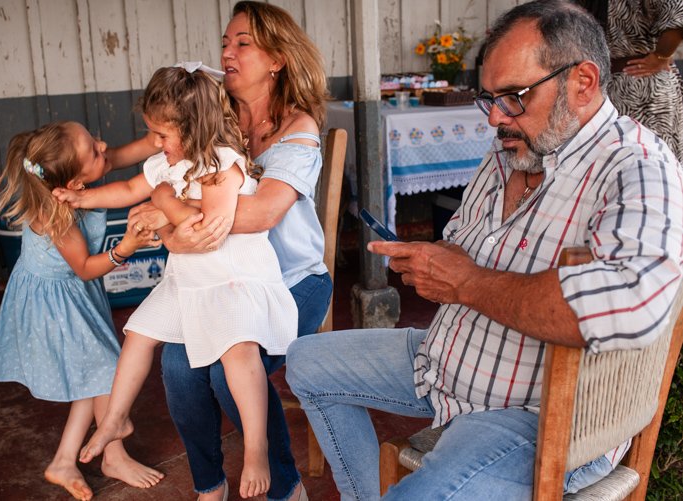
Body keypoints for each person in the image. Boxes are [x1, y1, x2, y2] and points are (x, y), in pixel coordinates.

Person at [285, 1, 683, 500]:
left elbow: (629, 306)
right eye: (490, 98)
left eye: (514, 96)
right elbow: (465, 244)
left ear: (582, 82)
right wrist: (433, 261)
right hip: (447, 360)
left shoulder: (636, 165)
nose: (495, 117)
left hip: (535, 414)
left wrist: (467, 282)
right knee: (305, 361)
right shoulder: (512, 148)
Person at [53, 64, 299, 499]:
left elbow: (206, 227)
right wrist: (81, 197)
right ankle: (114, 419)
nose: (156, 143)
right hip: (187, 280)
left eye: (161, 135)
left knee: (238, 353)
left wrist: (164, 198)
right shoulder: (166, 162)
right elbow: (127, 190)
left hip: (232, 279)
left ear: (191, 128)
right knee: (137, 335)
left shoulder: (221, 164)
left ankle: (256, 448)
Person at [125, 3, 332, 500]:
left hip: (294, 282)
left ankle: (286, 488)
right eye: (225, 43)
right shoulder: (213, 113)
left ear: (277, 59)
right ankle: (210, 486)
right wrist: (94, 166)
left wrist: (168, 208)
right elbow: (152, 150)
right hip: (222, 280)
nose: (227, 53)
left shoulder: (298, 129)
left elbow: (260, 214)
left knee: (226, 367)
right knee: (177, 366)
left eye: (243, 43)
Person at [0, 121, 165, 501]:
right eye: (94, 150)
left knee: (92, 375)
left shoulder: (79, 173)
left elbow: (134, 149)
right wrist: (126, 247)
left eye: (94, 139)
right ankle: (113, 452)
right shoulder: (54, 215)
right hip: (54, 302)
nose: (103, 145)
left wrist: (160, 137)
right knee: (108, 370)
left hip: (73, 292)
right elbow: (85, 267)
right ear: (75, 184)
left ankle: (65, 461)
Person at [577, 0, 683, 161]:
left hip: (644, 86)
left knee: (652, 158)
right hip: (603, 84)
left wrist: (661, 56)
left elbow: (677, 12)